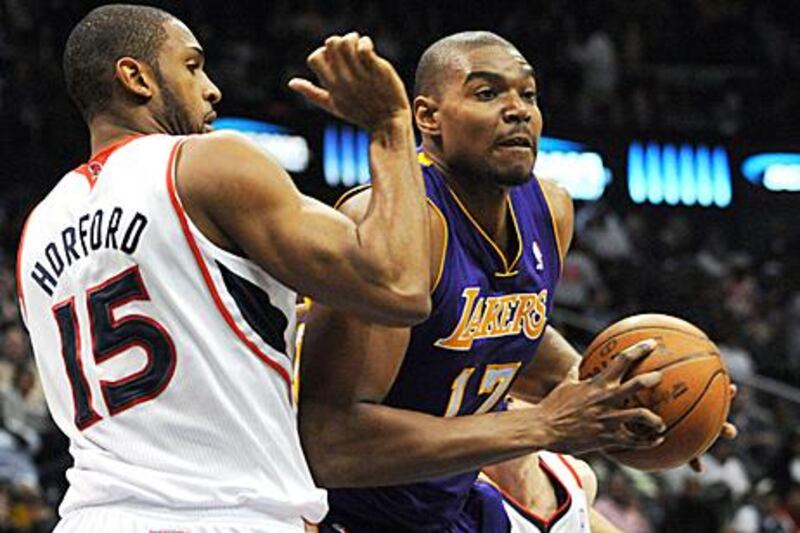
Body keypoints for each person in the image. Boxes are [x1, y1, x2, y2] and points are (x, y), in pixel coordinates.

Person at [299, 31, 736, 532]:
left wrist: (646, 402)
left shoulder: (550, 211)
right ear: (428, 117)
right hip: (348, 517)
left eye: (527, 94)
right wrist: (543, 425)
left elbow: (497, 334)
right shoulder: (397, 227)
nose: (518, 110)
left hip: (451, 500)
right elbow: (330, 444)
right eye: (487, 93)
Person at [16, 5, 432, 532]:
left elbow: (196, 329)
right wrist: (390, 127)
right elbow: (399, 286)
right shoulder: (206, 163)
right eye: (192, 66)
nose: (211, 89)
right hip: (220, 512)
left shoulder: (38, 228)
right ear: (136, 77)